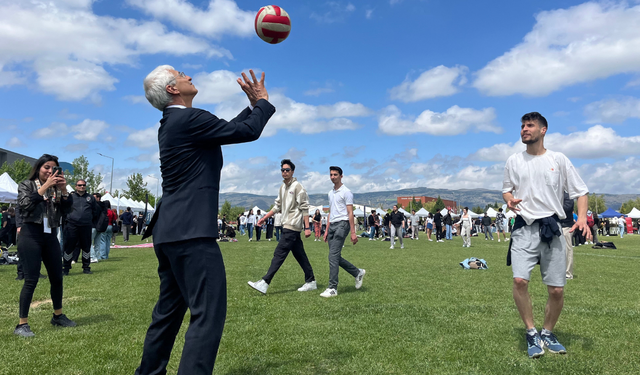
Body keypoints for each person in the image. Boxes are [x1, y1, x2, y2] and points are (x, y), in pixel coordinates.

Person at [135, 66, 274, 374]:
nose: (188, 75)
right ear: (173, 89)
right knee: (207, 314)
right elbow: (246, 131)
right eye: (181, 74)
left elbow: (225, 129)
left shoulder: (176, 122)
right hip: (191, 233)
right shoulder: (188, 119)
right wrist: (262, 102)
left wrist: (253, 107)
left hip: (170, 231)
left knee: (167, 314)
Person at [503, 112, 589, 358]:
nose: (524, 129)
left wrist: (581, 218)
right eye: (522, 126)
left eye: (529, 125)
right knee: (519, 281)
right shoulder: (513, 161)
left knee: (556, 290)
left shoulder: (558, 159)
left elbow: (581, 192)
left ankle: (548, 332)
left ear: (543, 130)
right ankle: (531, 332)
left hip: (552, 229)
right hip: (524, 229)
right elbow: (506, 190)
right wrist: (509, 200)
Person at [14, 154, 76, 337]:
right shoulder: (27, 185)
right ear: (39, 168)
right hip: (30, 234)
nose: (50, 171)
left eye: (54, 169)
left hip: (50, 235)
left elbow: (67, 210)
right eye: (46, 167)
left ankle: (58, 315)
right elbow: (25, 205)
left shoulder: (57, 189)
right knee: (31, 279)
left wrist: (63, 190)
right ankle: (22, 324)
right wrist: (45, 187)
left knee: (57, 277)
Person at [248, 159, 317, 294]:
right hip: (286, 224)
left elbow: (304, 208)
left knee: (279, 253)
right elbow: (277, 207)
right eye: (282, 170)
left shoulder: (298, 187)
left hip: (293, 225)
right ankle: (311, 280)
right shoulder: (282, 187)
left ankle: (265, 282)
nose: (284, 172)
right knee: (299, 254)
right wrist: (264, 218)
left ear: (292, 171)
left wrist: (307, 228)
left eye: (287, 170)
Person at [320, 166, 365, 298]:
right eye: (331, 175)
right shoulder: (330, 193)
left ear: (341, 176)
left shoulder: (346, 192)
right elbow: (330, 213)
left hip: (342, 224)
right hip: (332, 225)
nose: (333, 177)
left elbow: (350, 213)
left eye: (335, 174)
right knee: (335, 257)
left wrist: (353, 232)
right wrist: (326, 230)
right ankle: (357, 272)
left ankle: (332, 287)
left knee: (332, 256)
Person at [63, 179, 99, 275]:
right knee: (69, 247)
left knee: (86, 247)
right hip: (72, 225)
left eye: (83, 185)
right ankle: (66, 267)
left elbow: (95, 211)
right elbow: (64, 208)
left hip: (86, 226)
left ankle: (86, 267)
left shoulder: (90, 198)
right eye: (79, 185)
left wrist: (89, 219)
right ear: (76, 186)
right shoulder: (71, 197)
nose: (82, 186)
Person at [559, 192, 575, 280]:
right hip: (557, 225)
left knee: (567, 250)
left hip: (567, 226)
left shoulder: (568, 195)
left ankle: (568, 273)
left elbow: (567, 208)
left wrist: (554, 205)